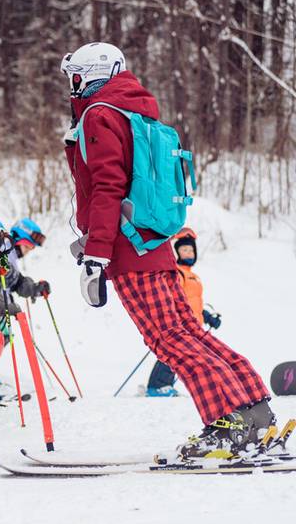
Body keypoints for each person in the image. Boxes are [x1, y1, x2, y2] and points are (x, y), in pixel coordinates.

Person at [61, 41, 274, 458]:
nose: (72, 85)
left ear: (90, 75)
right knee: (187, 333)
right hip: (154, 244)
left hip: (128, 249)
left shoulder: (100, 115)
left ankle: (227, 425)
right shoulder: (134, 111)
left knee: (171, 340)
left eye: (75, 76)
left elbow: (108, 187)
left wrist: (97, 254)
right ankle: (253, 413)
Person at [146, 227, 222, 397]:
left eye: (190, 250)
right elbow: (173, 297)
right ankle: (157, 387)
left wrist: (207, 317)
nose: (188, 253)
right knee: (175, 352)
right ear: (177, 252)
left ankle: (160, 385)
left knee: (180, 355)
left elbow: (193, 302)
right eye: (183, 250)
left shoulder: (193, 276)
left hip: (193, 323)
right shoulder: (176, 273)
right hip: (178, 322)